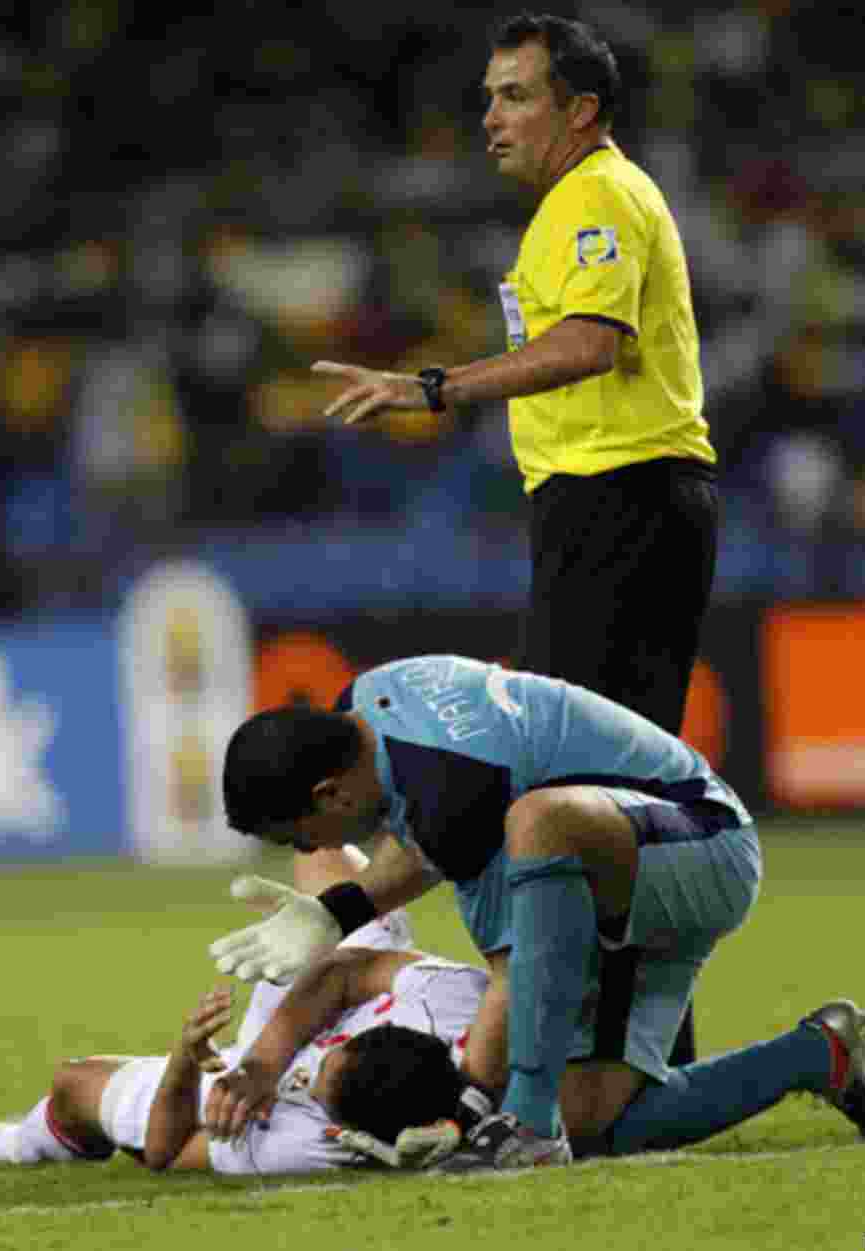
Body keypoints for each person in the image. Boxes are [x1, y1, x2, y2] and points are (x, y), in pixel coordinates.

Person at [313, 13, 720, 1066]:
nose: (489, 116)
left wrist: (431, 389)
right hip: (602, 505)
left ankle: (629, 1055)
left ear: (578, 109)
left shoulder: (597, 198)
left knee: (571, 797)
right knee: (592, 798)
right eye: (489, 95)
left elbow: (588, 345)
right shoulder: (569, 207)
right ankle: (645, 1050)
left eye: (515, 96)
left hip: (624, 501)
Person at [209, 654, 865, 1168]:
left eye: (297, 835)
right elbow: (438, 839)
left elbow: (515, 972)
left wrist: (466, 1108)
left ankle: (529, 1124)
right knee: (592, 1120)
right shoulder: (370, 705)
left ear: (328, 793)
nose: (308, 849)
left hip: (702, 841)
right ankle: (818, 1052)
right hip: (618, 860)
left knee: (537, 822)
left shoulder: (452, 791)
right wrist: (340, 908)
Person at [0, 848, 475, 1176]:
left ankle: (8, 1143)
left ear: (346, 1128)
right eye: (331, 1059)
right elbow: (346, 973)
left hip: (238, 1073)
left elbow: (168, 1151)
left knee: (74, 1084)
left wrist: (186, 1058)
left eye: (318, 1085)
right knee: (321, 852)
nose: (313, 1071)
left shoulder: (303, 1145)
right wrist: (321, 926)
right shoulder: (452, 1005)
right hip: (326, 990)